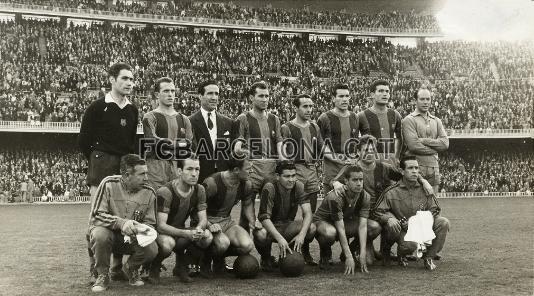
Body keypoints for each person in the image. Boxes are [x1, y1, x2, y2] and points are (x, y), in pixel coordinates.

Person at [330, 135, 434, 263]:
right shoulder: (351, 168)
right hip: (358, 216)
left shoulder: (383, 167)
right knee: (374, 234)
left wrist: (423, 181)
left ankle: (382, 251)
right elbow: (334, 181)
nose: (369, 153)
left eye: (372, 150)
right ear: (358, 152)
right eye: (365, 150)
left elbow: (405, 173)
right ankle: (358, 249)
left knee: (386, 224)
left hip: (379, 212)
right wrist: (336, 183)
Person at [78, 62, 139, 282]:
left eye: (131, 79)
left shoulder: (132, 109)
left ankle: (116, 267)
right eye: (124, 78)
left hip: (123, 168)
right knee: (97, 220)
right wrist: (98, 160)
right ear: (112, 80)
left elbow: (131, 142)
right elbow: (84, 141)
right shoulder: (97, 107)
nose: (129, 83)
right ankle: (94, 270)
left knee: (123, 217)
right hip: (101, 165)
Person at [87, 154, 158, 292]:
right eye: (142, 174)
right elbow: (96, 216)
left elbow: (151, 223)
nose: (146, 178)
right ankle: (103, 275)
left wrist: (139, 229)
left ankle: (130, 269)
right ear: (127, 175)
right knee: (99, 234)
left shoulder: (150, 192)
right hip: (109, 236)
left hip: (132, 239)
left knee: (152, 248)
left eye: (146, 173)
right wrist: (121, 223)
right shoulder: (108, 184)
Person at [373, 156, 450, 270]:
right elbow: (377, 211)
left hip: (421, 226)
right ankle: (399, 254)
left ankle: (428, 257)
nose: (414, 171)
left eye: (416, 168)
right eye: (410, 168)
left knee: (443, 222)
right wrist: (389, 218)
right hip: (402, 230)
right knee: (409, 245)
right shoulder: (391, 191)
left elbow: (435, 209)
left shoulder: (426, 189)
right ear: (402, 171)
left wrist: (416, 221)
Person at [147, 155, 212, 284]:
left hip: (180, 230)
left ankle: (182, 265)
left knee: (207, 237)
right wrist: (186, 234)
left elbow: (203, 219)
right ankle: (154, 266)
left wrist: (198, 229)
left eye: (197, 169)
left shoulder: (200, 190)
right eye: (189, 169)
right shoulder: (165, 191)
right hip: (159, 233)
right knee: (168, 244)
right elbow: (160, 226)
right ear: (180, 171)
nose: (194, 174)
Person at [234, 81, 284, 232]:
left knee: (269, 213)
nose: (264, 99)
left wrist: (282, 161)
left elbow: (279, 142)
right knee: (246, 212)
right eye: (260, 96)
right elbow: (237, 146)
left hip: (270, 168)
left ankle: (266, 254)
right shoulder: (242, 119)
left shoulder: (274, 119)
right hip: (252, 170)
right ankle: (243, 250)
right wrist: (246, 154)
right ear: (251, 98)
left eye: (267, 96)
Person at [280, 94, 322, 265]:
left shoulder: (314, 127)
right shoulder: (287, 127)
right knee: (289, 214)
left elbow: (320, 148)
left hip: (311, 170)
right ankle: (286, 251)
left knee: (309, 214)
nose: (309, 110)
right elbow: (282, 152)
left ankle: (305, 250)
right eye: (305, 106)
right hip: (294, 170)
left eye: (311, 106)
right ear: (296, 108)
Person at [254, 161, 316, 270]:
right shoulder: (269, 187)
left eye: (293, 175)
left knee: (311, 228)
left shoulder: (299, 186)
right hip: (271, 227)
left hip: (288, 226)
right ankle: (266, 258)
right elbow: (264, 217)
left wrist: (301, 235)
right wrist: (280, 239)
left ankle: (291, 253)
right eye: (287, 176)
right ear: (278, 176)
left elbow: (308, 213)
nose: (291, 180)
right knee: (260, 234)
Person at [201, 158, 259, 276]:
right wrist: (208, 224)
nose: (252, 171)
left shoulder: (246, 184)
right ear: (236, 170)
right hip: (206, 221)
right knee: (223, 244)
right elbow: (196, 208)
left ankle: (219, 261)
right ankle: (204, 260)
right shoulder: (212, 182)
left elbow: (247, 204)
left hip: (226, 221)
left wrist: (253, 221)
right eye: (249, 168)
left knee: (247, 245)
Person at [313, 165, 371, 274]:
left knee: (373, 227)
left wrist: (363, 253)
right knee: (330, 232)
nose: (359, 183)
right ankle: (325, 254)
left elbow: (363, 226)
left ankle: (352, 251)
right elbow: (340, 229)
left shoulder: (365, 196)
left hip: (342, 221)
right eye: (354, 180)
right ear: (346, 181)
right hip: (323, 222)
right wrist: (349, 257)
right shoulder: (336, 197)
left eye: (361, 180)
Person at [142, 77, 194, 191]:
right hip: (155, 169)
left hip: (177, 169)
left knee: (175, 205)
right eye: (166, 91)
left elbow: (189, 143)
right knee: (155, 203)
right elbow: (153, 141)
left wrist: (169, 144)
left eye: (172, 91)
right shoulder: (150, 117)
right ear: (157, 94)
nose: (170, 94)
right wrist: (179, 145)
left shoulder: (184, 119)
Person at [317, 83, 367, 195]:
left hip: (351, 168)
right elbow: (319, 144)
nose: (345, 99)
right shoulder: (324, 118)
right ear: (333, 98)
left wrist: (356, 157)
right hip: (332, 170)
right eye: (341, 96)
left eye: (347, 96)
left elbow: (358, 142)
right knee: (332, 204)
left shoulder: (354, 117)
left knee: (352, 205)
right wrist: (337, 158)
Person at [401, 87, 449, 193]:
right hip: (416, 168)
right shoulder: (409, 120)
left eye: (428, 99)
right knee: (415, 205)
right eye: (422, 99)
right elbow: (413, 146)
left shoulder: (436, 121)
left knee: (432, 204)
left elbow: (445, 144)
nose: (425, 102)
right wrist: (435, 149)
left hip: (434, 168)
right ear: (415, 101)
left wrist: (424, 141)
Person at [189, 80, 236, 183]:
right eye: (210, 93)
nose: (214, 97)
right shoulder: (190, 121)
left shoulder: (229, 122)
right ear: (200, 96)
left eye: (216, 94)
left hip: (223, 176)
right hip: (200, 176)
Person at [357, 80, 402, 165]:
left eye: (387, 91)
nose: (385, 94)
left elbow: (400, 138)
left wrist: (396, 157)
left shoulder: (395, 115)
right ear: (372, 94)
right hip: (370, 163)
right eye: (381, 91)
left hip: (390, 162)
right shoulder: (361, 116)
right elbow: (353, 139)